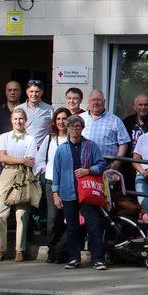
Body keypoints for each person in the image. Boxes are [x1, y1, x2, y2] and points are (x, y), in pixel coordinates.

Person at [51, 114, 108, 270]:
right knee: (72, 227)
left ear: (82, 128)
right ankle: (74, 258)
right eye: (72, 126)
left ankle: (97, 258)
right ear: (67, 128)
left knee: (94, 225)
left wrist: (88, 170)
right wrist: (55, 194)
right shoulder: (61, 149)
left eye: (78, 126)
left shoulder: (91, 146)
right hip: (68, 192)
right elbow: (56, 173)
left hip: (87, 192)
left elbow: (102, 164)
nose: (75, 129)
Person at [0, 107, 41, 262]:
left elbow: (31, 160)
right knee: (0, 212)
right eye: (15, 119)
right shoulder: (4, 137)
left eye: (21, 119)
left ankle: (20, 250)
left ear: (25, 121)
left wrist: (14, 159)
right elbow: (2, 157)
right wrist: (21, 160)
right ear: (11, 120)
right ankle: (1, 249)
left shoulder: (30, 139)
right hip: (7, 173)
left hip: (24, 174)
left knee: (21, 214)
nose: (18, 122)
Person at [36, 107, 71, 264]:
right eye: (59, 119)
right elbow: (39, 159)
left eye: (64, 118)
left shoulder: (74, 139)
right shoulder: (50, 139)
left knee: (68, 219)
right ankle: (51, 251)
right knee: (53, 218)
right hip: (51, 183)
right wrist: (46, 172)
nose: (61, 122)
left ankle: (63, 251)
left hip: (69, 183)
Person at [83, 89, 132, 187]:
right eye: (93, 100)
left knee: (106, 195)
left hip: (107, 168)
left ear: (104, 102)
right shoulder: (80, 119)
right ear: (88, 102)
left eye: (99, 100)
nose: (96, 103)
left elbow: (123, 143)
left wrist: (117, 162)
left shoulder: (115, 120)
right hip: (84, 168)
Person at [16, 79, 53, 149]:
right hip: (24, 147)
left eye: (37, 92)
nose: (34, 94)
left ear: (42, 92)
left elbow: (52, 129)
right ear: (26, 92)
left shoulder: (49, 109)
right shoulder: (19, 109)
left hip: (42, 148)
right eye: (31, 91)